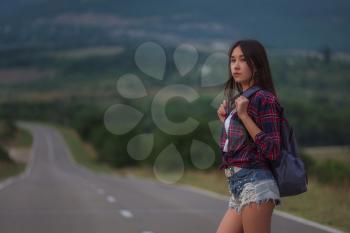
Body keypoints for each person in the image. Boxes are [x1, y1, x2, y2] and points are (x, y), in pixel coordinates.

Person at [216, 39, 283, 233]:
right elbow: (245, 144)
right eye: (232, 60)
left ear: (257, 64)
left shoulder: (265, 99)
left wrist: (243, 116)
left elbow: (272, 149)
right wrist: (227, 121)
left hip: (256, 183)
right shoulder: (242, 100)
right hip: (237, 185)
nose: (235, 66)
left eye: (243, 60)